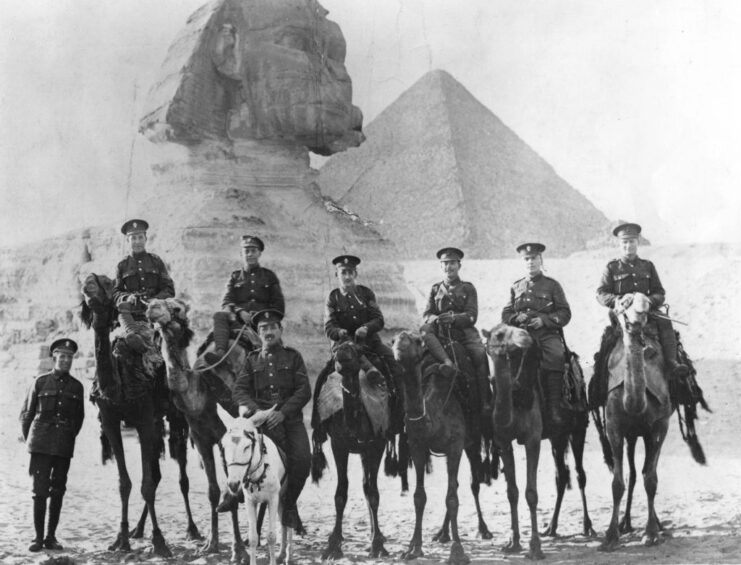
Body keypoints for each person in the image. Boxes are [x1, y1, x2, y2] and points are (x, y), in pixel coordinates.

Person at [220, 309, 311, 529]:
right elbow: (239, 390)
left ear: (280, 330)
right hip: (261, 423)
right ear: (258, 333)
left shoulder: (293, 356)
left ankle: (289, 506)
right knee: (236, 448)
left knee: (303, 461)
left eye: (272, 328)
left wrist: (282, 413)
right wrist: (257, 412)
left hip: (288, 421)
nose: (268, 332)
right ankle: (233, 493)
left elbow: (303, 390)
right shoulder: (252, 360)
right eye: (263, 329)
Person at [312, 255, 404, 438]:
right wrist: (339, 332)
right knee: (322, 378)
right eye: (343, 272)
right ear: (337, 274)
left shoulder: (366, 293)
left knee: (395, 366)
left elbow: (378, 319)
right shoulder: (333, 298)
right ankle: (318, 427)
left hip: (370, 344)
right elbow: (328, 326)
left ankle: (398, 419)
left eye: (350, 272)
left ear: (356, 273)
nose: (347, 277)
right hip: (344, 348)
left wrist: (366, 328)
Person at [597, 223, 688, 379]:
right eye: (624, 242)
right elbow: (601, 293)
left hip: (646, 311)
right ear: (619, 244)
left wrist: (648, 301)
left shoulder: (647, 266)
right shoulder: (612, 268)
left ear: (638, 242)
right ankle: (599, 382)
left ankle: (672, 362)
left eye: (631, 241)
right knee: (607, 345)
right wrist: (618, 300)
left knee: (665, 321)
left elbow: (659, 292)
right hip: (621, 313)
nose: (628, 246)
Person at [20, 339, 85, 552]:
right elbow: (27, 415)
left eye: (69, 357)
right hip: (40, 445)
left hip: (63, 446)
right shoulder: (40, 382)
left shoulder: (77, 386)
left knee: (58, 491)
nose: (66, 360)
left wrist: (66, 436)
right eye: (62, 356)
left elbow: (78, 419)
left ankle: (51, 537)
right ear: (54, 357)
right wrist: (33, 440)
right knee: (39, 492)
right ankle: (37, 538)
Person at [501, 243, 571, 426]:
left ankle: (554, 407)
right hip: (521, 334)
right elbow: (506, 314)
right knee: (504, 357)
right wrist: (517, 317)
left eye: (533, 259)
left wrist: (544, 321)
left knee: (556, 354)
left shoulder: (552, 285)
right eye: (526, 259)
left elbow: (564, 313)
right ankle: (506, 405)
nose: (530, 262)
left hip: (546, 334)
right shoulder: (516, 286)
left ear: (541, 260)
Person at [420, 247, 490, 414]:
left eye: (452, 263)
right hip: (440, 334)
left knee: (479, 354)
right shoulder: (435, 289)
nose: (448, 267)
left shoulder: (468, 288)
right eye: (445, 264)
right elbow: (427, 313)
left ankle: (485, 401)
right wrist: (434, 319)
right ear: (441, 266)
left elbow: (472, 315)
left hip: (464, 334)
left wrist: (454, 318)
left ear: (459, 265)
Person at [204, 235, 285, 367]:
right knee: (219, 315)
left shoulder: (269, 276)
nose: (250, 254)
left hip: (261, 321)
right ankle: (219, 353)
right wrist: (240, 311)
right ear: (241, 254)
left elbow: (278, 306)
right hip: (237, 320)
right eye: (246, 251)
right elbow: (226, 302)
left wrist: (259, 316)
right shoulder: (235, 276)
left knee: (276, 358)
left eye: (253, 251)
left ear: (259, 253)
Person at [112, 219, 175, 353]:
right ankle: (133, 336)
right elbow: (116, 293)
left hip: (156, 311)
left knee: (173, 337)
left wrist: (156, 300)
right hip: (132, 314)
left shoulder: (156, 261)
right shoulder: (122, 265)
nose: (137, 242)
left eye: (140, 237)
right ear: (127, 241)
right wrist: (127, 298)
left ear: (146, 238)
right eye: (133, 238)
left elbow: (169, 288)